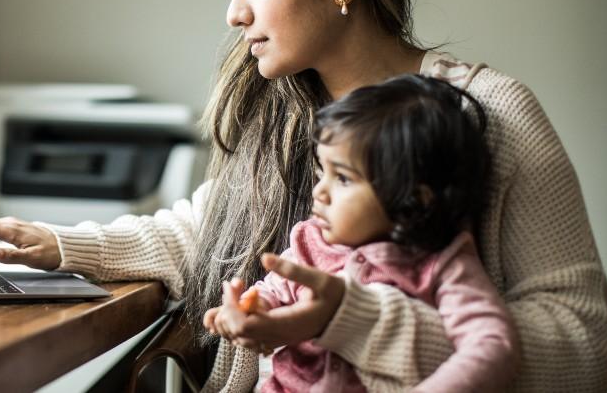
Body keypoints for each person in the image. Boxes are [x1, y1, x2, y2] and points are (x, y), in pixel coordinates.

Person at [0, 0, 607, 392]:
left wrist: (352, 323)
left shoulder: (492, 114)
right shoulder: (282, 115)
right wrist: (58, 245)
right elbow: (204, 233)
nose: (236, 13)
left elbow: (583, 345)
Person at [204, 74, 520, 392]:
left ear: (413, 199)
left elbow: (492, 346)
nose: (320, 192)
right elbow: (270, 293)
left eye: (342, 178)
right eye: (320, 172)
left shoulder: (444, 263)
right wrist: (248, 311)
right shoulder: (309, 243)